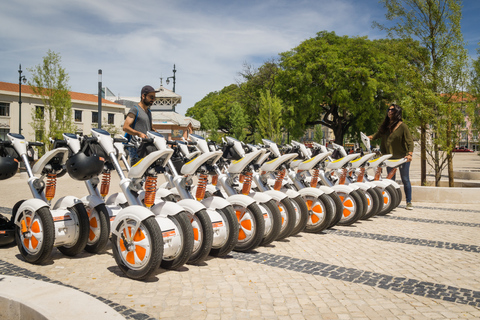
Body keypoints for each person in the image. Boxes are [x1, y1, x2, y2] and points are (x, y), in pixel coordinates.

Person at [368, 104, 414, 210]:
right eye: (389, 109)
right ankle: (391, 202)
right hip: (389, 157)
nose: (389, 111)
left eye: (392, 110)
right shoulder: (386, 126)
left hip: (403, 157)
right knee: (390, 180)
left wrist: (409, 154)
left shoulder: (403, 126)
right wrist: (368, 138)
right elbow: (377, 135)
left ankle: (408, 202)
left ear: (397, 112)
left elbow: (409, 141)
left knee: (405, 179)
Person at [123, 85, 156, 165]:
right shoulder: (135, 109)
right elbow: (125, 127)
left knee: (147, 173)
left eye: (154, 98)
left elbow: (150, 129)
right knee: (136, 175)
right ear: (143, 96)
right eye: (151, 97)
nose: (153, 100)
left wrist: (159, 136)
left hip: (146, 147)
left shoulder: (148, 112)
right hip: (135, 147)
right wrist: (138, 133)